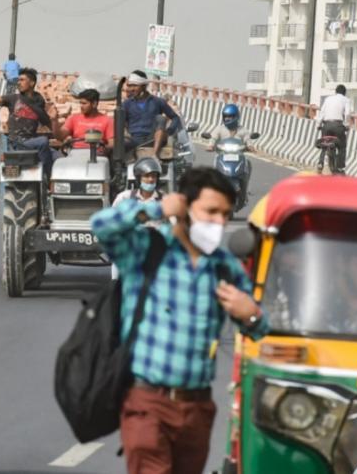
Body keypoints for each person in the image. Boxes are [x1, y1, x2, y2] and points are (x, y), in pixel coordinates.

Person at [91, 167, 269, 474]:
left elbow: (259, 331)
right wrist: (155, 209)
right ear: (185, 207)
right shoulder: (147, 250)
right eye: (210, 211)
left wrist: (250, 314)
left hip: (196, 409)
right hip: (148, 402)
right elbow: (101, 226)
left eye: (225, 214)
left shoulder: (225, 268)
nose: (219, 222)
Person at [0, 66, 54, 175]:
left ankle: (45, 180)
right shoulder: (13, 99)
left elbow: (45, 121)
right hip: (18, 143)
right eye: (18, 80)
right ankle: (49, 178)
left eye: (22, 80)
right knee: (43, 141)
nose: (18, 83)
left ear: (32, 83)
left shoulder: (39, 101)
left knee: (56, 156)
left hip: (31, 142)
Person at [122, 70, 180, 167]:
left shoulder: (158, 101)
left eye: (135, 85)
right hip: (134, 139)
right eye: (130, 86)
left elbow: (175, 118)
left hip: (153, 139)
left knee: (160, 118)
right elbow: (120, 123)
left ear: (144, 86)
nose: (131, 89)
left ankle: (154, 155)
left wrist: (169, 131)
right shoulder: (126, 104)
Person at [60, 88, 115, 153]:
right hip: (75, 152)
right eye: (80, 103)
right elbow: (60, 136)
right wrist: (54, 120)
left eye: (84, 103)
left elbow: (112, 143)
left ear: (94, 104)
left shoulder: (108, 120)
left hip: (97, 154)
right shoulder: (73, 118)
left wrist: (104, 149)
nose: (81, 106)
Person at [316, 84, 351, 172]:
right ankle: (340, 167)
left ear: (335, 92)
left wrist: (318, 124)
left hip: (326, 125)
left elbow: (322, 112)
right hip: (338, 126)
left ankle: (320, 163)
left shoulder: (328, 99)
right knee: (342, 146)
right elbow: (347, 114)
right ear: (344, 93)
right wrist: (347, 125)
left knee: (324, 144)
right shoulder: (346, 100)